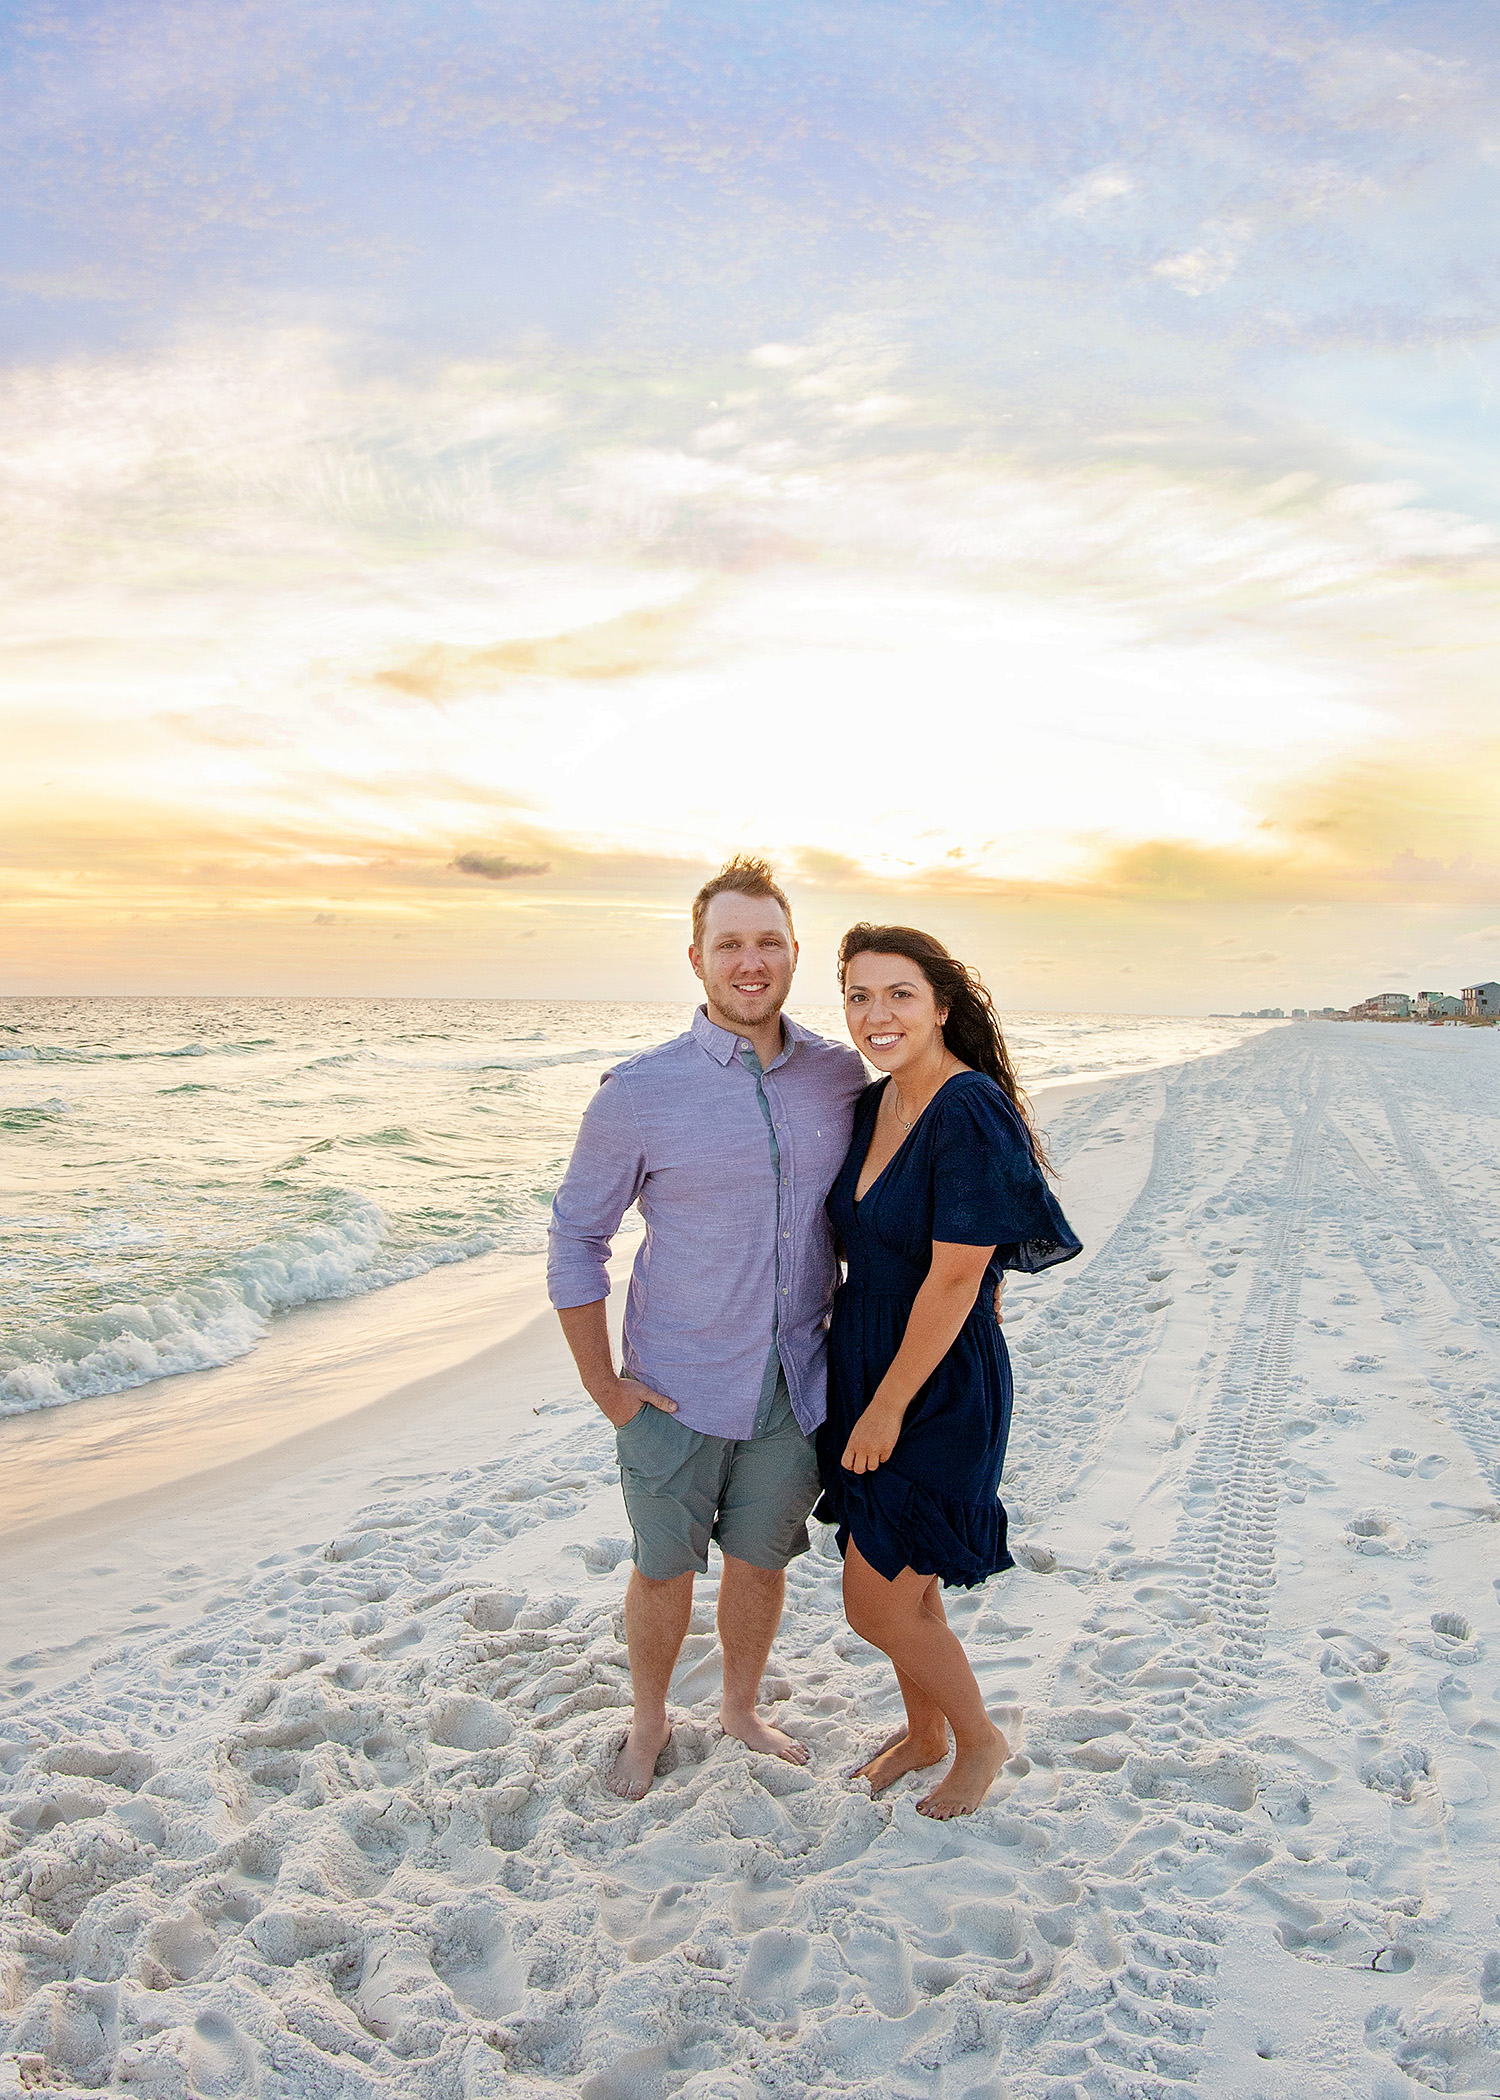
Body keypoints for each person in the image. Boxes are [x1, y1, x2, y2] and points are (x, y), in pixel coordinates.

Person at [548, 857, 867, 1799]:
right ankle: (648, 1721)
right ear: (696, 958)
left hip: (795, 1381)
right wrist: (602, 1384)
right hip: (674, 1385)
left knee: (761, 1558)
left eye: (769, 941)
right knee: (662, 1568)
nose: (751, 960)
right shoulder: (639, 1092)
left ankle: (738, 1707)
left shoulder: (840, 1077)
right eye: (730, 943)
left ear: (795, 952)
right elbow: (576, 1236)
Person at [815, 923, 1081, 1820]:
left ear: (942, 1005)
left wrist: (888, 1406)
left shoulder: (967, 1107)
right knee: (906, 1578)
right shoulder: (871, 1104)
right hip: (866, 1356)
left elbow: (962, 1271)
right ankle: (925, 1734)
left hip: (929, 1381)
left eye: (898, 994)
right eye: (858, 994)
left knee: (873, 1602)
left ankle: (979, 1740)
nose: (875, 1014)